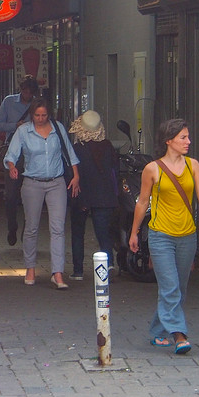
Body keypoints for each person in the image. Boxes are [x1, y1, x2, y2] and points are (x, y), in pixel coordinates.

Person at [129, 118, 199, 355]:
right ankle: (179, 335)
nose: (188, 141)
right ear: (169, 141)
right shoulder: (153, 169)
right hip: (161, 236)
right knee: (170, 288)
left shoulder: (193, 165)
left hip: (187, 235)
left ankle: (158, 331)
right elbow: (142, 202)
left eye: (188, 137)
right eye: (183, 137)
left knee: (179, 287)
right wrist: (135, 232)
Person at [5, 97, 81, 289]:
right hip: (32, 182)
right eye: (37, 115)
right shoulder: (23, 131)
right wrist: (12, 167)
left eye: (44, 115)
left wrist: (76, 176)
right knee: (31, 227)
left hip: (56, 182)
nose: (40, 118)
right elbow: (10, 155)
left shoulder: (58, 128)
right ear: (32, 115)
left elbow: (69, 153)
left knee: (58, 228)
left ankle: (57, 272)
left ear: (49, 115)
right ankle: (30, 267)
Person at [68, 110, 117, 280]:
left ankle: (78, 270)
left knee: (77, 233)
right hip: (104, 196)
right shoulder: (108, 147)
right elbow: (114, 171)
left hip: (81, 196)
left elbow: (71, 174)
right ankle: (108, 264)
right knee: (103, 233)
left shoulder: (76, 149)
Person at [0, 76, 39, 246]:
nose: (27, 95)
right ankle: (12, 226)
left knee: (31, 195)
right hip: (14, 152)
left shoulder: (37, 105)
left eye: (30, 92)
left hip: (33, 153)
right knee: (11, 195)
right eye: (25, 91)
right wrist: (15, 126)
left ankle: (27, 231)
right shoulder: (9, 102)